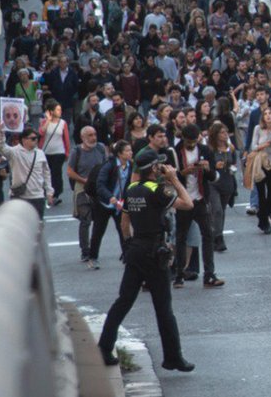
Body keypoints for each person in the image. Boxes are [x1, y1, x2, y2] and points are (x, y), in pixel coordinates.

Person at [97, 147, 196, 373]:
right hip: (154, 252)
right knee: (163, 308)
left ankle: (104, 347)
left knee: (123, 301)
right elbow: (188, 203)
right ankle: (172, 357)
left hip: (136, 250)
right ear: (153, 168)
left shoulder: (131, 189)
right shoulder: (159, 190)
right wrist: (173, 178)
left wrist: (130, 244)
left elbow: (124, 223)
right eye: (159, 165)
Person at [171, 124, 224, 288]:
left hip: (200, 198)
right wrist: (183, 173)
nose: (192, 145)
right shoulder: (174, 152)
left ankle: (209, 274)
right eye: (189, 142)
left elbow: (214, 177)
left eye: (194, 141)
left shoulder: (205, 150)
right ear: (183, 139)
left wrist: (207, 169)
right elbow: (169, 176)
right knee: (181, 237)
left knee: (207, 235)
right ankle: (179, 274)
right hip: (183, 200)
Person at [68, 126, 109, 268]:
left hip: (98, 187)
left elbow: (107, 165)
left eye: (95, 134)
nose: (93, 138)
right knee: (85, 219)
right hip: (82, 186)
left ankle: (93, 249)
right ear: (83, 138)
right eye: (90, 135)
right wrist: (84, 180)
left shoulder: (101, 148)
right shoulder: (77, 151)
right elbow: (70, 171)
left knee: (98, 219)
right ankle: (85, 251)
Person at [0, 127, 55, 216]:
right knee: (20, 226)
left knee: (37, 225)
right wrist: (1, 133)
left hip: (37, 196)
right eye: (33, 138)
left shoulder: (40, 153)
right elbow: (1, 147)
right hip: (19, 196)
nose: (36, 141)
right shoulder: (14, 152)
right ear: (24, 140)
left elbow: (46, 174)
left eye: (37, 138)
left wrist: (49, 192)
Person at [93, 140, 134, 259]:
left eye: (131, 150)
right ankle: (93, 256)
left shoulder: (131, 166)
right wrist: (110, 197)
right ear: (119, 154)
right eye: (127, 151)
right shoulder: (109, 165)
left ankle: (127, 256)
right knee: (98, 231)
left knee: (123, 229)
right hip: (104, 203)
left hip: (120, 204)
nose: (131, 153)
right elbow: (100, 184)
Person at [206, 123, 237, 253]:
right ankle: (218, 237)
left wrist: (231, 168)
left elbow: (234, 162)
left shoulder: (230, 148)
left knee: (222, 210)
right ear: (216, 135)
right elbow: (207, 166)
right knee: (217, 209)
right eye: (222, 133)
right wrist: (214, 166)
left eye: (226, 132)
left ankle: (217, 233)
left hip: (227, 181)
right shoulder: (210, 149)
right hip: (214, 182)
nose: (225, 135)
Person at [38, 99, 72, 205]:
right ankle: (46, 193)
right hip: (45, 152)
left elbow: (66, 139)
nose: (60, 111)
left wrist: (67, 152)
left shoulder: (63, 123)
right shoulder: (44, 122)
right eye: (57, 110)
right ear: (51, 111)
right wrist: (48, 120)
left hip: (59, 152)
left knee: (56, 173)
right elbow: (41, 132)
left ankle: (56, 194)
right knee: (45, 173)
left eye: (60, 109)